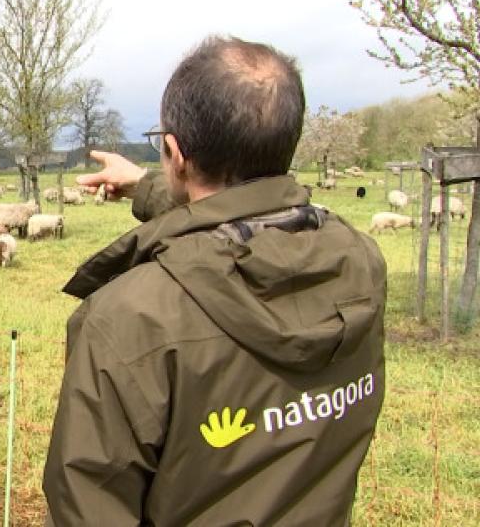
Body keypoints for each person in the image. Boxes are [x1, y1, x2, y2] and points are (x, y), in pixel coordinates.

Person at [43, 36, 386, 525]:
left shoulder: (131, 318)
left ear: (175, 152)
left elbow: (88, 505)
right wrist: (146, 187)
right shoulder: (359, 267)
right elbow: (250, 214)